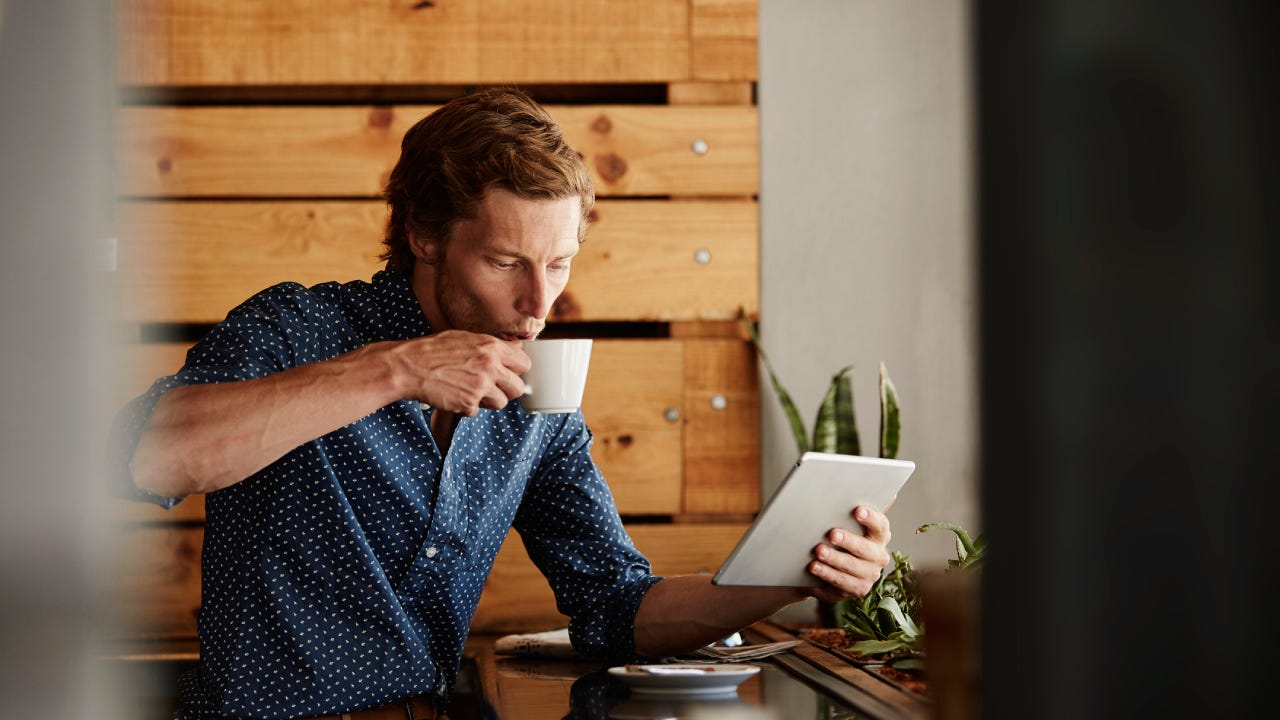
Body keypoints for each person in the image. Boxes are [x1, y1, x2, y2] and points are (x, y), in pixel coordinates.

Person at [110, 88, 893, 720]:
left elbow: (616, 606)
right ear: (423, 233)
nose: (537, 302)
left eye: (557, 264)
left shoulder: (537, 402)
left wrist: (796, 574)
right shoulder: (300, 328)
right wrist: (395, 371)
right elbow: (143, 459)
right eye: (505, 261)